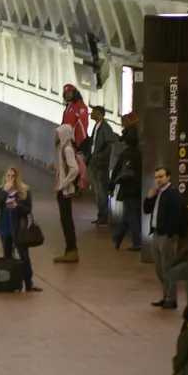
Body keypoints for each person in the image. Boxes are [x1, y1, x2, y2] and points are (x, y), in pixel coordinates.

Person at [145, 168, 188, 307]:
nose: (158, 179)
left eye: (161, 176)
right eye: (156, 177)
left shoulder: (173, 194)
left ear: (168, 177)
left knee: (168, 267)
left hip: (167, 236)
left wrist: (172, 234)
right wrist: (149, 198)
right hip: (156, 233)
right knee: (159, 267)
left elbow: (179, 216)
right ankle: (166, 294)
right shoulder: (157, 193)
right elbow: (146, 210)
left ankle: (172, 298)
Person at [0, 166, 41, 292]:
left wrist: (17, 207)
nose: (10, 178)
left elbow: (28, 209)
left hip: (19, 227)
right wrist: (5, 192)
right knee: (7, 255)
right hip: (4, 225)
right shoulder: (1, 189)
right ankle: (10, 282)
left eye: (12, 176)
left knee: (24, 255)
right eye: (8, 176)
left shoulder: (24, 191)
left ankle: (28, 283)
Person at [110, 118, 143, 250]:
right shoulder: (140, 154)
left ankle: (136, 241)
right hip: (138, 187)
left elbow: (117, 170)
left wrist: (111, 187)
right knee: (128, 213)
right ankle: (117, 238)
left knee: (131, 215)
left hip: (127, 187)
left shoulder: (125, 154)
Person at [52, 122, 83, 263]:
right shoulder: (63, 149)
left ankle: (71, 250)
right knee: (65, 219)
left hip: (64, 190)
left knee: (67, 220)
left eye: (57, 134)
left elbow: (74, 169)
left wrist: (63, 185)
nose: (55, 136)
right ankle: (69, 249)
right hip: (63, 189)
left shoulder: (67, 150)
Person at [87, 106, 116, 226]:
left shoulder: (106, 128)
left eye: (93, 112)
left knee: (102, 191)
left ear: (100, 114)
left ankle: (104, 217)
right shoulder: (97, 126)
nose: (91, 114)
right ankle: (100, 215)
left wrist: (99, 157)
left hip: (101, 164)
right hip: (95, 162)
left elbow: (109, 145)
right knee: (97, 192)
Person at [59, 83, 90, 153]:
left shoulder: (81, 106)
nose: (68, 95)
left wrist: (78, 142)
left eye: (70, 92)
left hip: (76, 143)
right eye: (66, 93)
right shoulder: (69, 106)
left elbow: (82, 125)